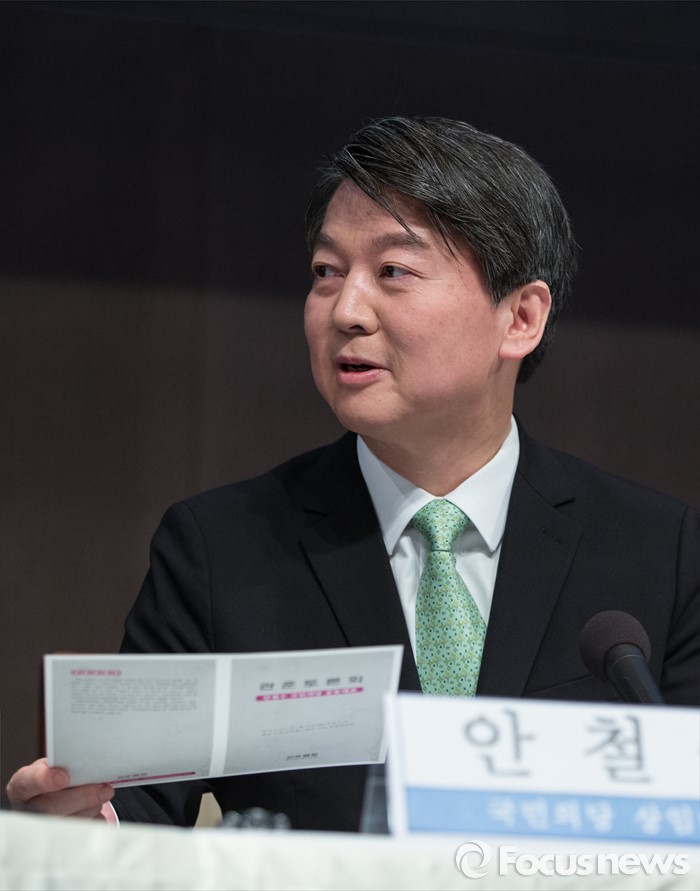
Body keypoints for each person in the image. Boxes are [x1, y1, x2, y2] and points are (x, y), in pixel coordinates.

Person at [7, 116, 700, 831]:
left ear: (520, 317)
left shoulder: (661, 553)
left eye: (393, 271)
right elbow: (132, 812)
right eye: (326, 273)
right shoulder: (220, 549)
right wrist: (76, 824)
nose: (345, 310)